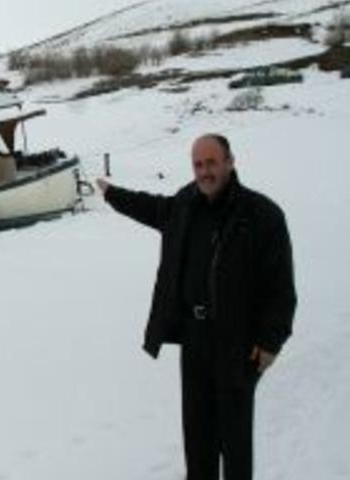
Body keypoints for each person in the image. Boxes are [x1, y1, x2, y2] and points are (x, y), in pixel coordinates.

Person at [96, 134, 296, 480]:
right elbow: (153, 208)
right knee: (198, 437)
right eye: (198, 165)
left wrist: (270, 342)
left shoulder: (262, 215)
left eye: (212, 163)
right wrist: (114, 195)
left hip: (237, 345)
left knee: (234, 442)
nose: (205, 172)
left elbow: (281, 288)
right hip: (195, 340)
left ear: (230, 162)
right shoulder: (186, 204)